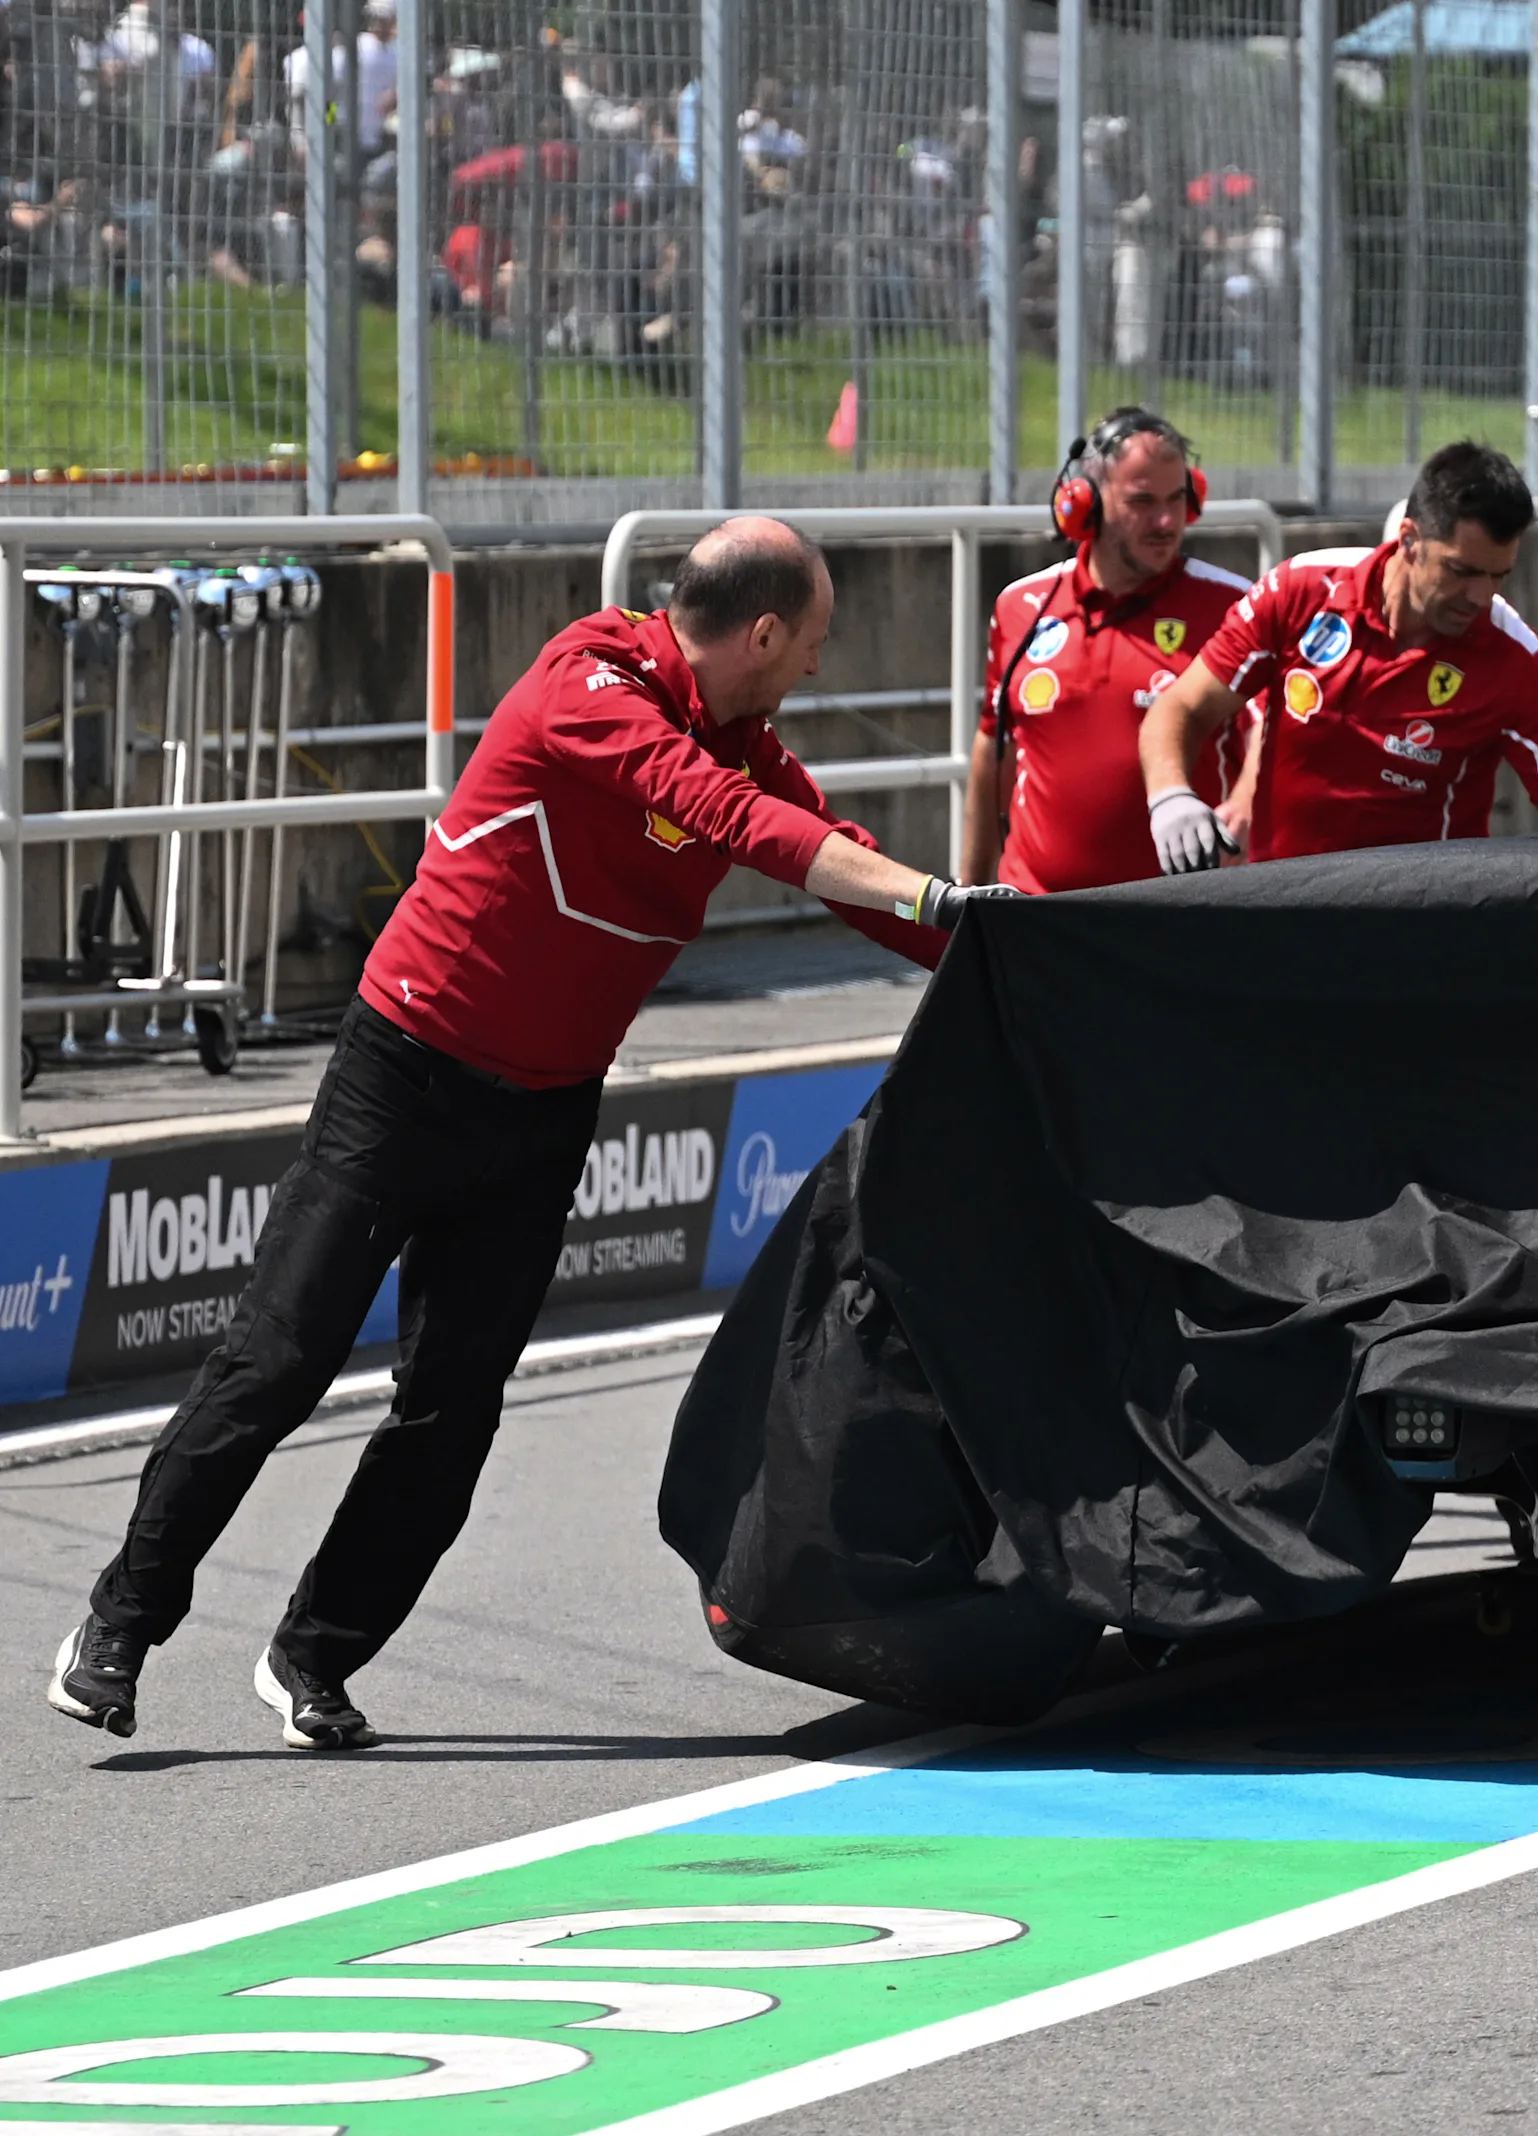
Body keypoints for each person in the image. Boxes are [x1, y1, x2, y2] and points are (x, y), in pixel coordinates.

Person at [47, 520, 1004, 1750]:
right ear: (761, 633)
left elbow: (838, 866)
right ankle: (122, 1620)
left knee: (453, 1408)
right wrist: (930, 894)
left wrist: (994, 942)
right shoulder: (587, 681)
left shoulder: (748, 742)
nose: (813, 672)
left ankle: (314, 1655)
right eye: (810, 646)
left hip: (545, 1109)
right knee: (277, 1361)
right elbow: (724, 817)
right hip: (402, 1075)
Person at [1142, 441, 1538, 868]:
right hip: (1281, 918)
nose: (1481, 595)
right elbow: (1182, 706)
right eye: (1462, 571)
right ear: (1409, 539)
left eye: (1499, 576)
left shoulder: (1518, 660)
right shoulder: (1301, 590)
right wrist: (1170, 796)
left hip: (1418, 935)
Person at [965, 407, 1254, 891]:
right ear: (1086, 504)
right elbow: (993, 750)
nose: (1166, 521)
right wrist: (968, 891)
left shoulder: (1236, 606)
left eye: (1177, 499)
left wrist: (1245, 807)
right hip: (1034, 914)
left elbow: (1275, 734)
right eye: (1142, 502)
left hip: (1179, 919)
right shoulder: (1020, 606)